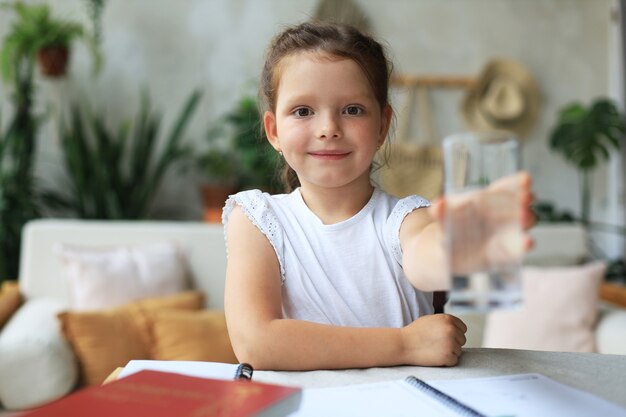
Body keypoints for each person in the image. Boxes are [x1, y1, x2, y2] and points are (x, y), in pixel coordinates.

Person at [222, 21, 534, 371]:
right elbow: (256, 342)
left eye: (352, 110)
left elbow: (430, 257)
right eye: (303, 111)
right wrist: (404, 345)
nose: (328, 129)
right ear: (274, 131)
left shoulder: (405, 219)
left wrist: (466, 238)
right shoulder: (257, 221)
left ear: (382, 126)